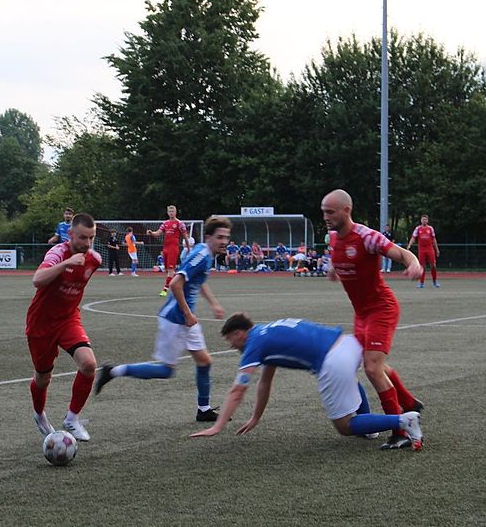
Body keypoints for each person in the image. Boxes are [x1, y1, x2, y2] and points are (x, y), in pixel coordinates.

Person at [190, 314, 423, 450]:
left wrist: (218, 425)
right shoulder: (266, 332)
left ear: (239, 333)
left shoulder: (254, 343)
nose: (231, 345)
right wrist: (256, 417)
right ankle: (371, 429)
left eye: (230, 339)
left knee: (344, 426)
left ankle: (404, 420)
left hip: (332, 361)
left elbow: (238, 390)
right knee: (349, 379)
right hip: (347, 344)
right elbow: (265, 382)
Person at [95, 216, 232, 422]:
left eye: (226, 237)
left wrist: (213, 304)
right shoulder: (202, 255)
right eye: (220, 237)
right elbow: (176, 283)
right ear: (208, 237)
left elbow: (197, 280)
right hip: (176, 319)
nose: (224, 241)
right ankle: (112, 371)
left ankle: (203, 409)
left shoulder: (204, 252)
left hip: (186, 319)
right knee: (167, 371)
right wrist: (188, 314)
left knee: (204, 362)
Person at [323, 189, 424, 450]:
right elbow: (339, 255)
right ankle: (409, 402)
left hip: (381, 309)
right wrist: (334, 268)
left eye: (330, 212)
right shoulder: (333, 238)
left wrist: (414, 264)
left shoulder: (367, 237)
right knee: (373, 364)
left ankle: (400, 430)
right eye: (324, 212)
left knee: (372, 368)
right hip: (361, 314)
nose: (326, 216)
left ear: (346, 210)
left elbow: (401, 253)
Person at [26, 213, 101, 442]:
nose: (87, 243)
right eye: (82, 237)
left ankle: (72, 419)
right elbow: (37, 279)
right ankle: (39, 414)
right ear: (70, 234)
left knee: (89, 364)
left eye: (91, 238)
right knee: (43, 378)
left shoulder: (94, 260)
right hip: (41, 322)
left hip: (68, 319)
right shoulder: (57, 253)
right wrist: (66, 264)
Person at [146, 205, 192, 297]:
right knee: (168, 270)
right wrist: (151, 233)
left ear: (175, 212)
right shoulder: (165, 223)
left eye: (172, 211)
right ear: (167, 213)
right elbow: (157, 233)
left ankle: (165, 289)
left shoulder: (180, 223)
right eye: (169, 211)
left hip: (173, 249)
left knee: (171, 270)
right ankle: (183, 283)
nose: (171, 213)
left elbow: (186, 237)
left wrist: (188, 249)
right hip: (165, 249)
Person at [406, 214, 441, 288]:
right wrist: (409, 245)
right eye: (423, 219)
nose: (424, 221)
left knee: (433, 265)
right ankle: (421, 283)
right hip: (421, 249)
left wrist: (437, 249)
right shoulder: (418, 229)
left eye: (425, 219)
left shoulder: (430, 228)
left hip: (430, 249)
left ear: (427, 220)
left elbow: (434, 239)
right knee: (422, 266)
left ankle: (435, 282)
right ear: (421, 220)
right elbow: (413, 237)